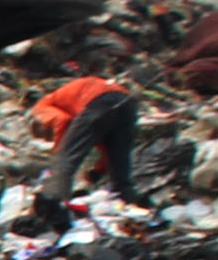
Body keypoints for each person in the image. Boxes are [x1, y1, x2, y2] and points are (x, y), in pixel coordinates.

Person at [26, 72, 142, 225]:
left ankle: (53, 211)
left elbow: (62, 120)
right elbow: (106, 149)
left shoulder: (42, 107)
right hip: (127, 104)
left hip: (99, 101)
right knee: (120, 165)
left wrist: (58, 151)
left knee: (63, 162)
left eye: (48, 136)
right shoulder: (75, 107)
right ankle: (132, 212)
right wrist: (96, 172)